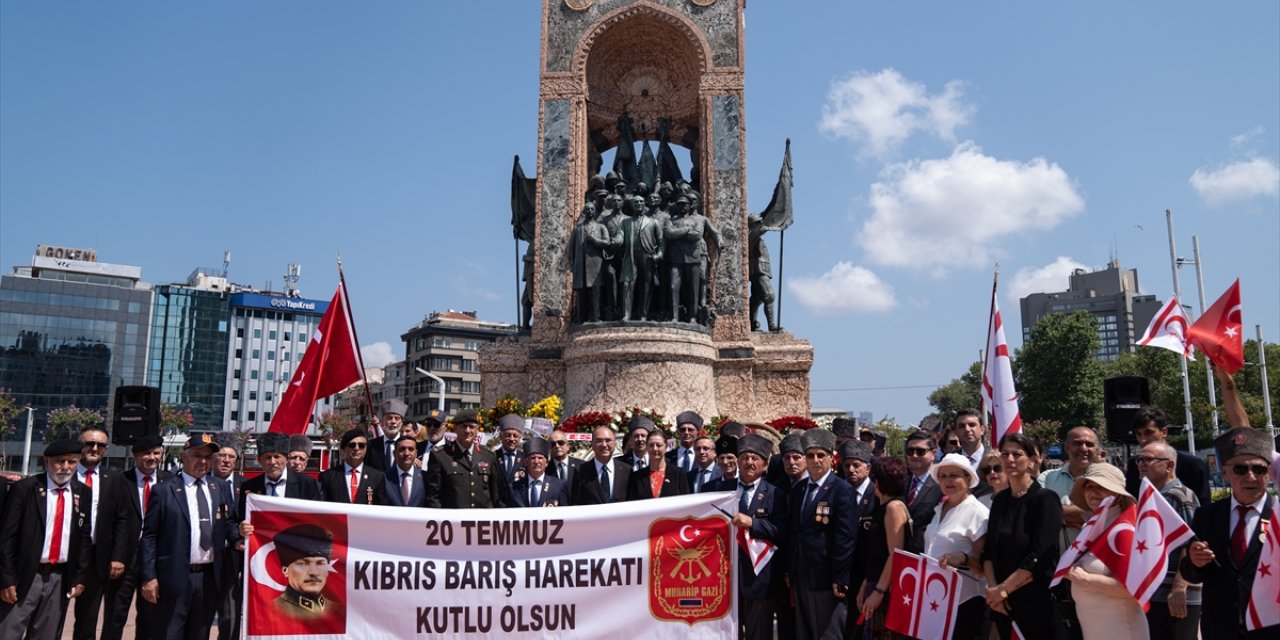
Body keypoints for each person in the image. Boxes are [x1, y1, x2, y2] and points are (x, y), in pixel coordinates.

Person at [140, 434, 241, 640]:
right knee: (169, 633)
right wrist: (149, 577)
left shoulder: (219, 487)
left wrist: (238, 537)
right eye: (197, 455)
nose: (203, 461)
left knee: (199, 634)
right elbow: (149, 536)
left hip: (208, 578)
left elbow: (228, 523)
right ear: (184, 457)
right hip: (174, 577)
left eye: (207, 456)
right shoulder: (164, 490)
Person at [1180, 427, 1274, 639]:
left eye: (1259, 470)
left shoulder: (1278, 515)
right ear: (1224, 472)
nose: (1251, 476)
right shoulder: (1207, 515)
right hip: (1220, 627)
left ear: (1268, 473)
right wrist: (1195, 561)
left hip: (1270, 627)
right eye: (1241, 469)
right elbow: (1191, 574)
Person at [0, 439, 91, 640]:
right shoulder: (25, 489)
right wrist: (6, 579)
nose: (66, 467)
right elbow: (6, 537)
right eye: (60, 461)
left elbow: (83, 536)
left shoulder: (82, 492)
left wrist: (79, 576)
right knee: (8, 632)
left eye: (72, 462)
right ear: (46, 460)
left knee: (46, 635)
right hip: (25, 577)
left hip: (59, 577)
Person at [982, 432, 1063, 640]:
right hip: (1001, 605)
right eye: (1005, 454)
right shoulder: (1000, 501)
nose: (1009, 459)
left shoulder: (1045, 499)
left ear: (1032, 461)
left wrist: (1003, 590)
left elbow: (1040, 555)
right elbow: (988, 551)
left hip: (1034, 604)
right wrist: (994, 593)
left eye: (1017, 454)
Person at [1062, 463, 1148, 640]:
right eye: (1089, 487)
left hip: (1121, 629)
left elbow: (1134, 589)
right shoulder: (1091, 527)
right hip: (1095, 629)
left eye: (1102, 487)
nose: (1093, 492)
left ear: (1117, 494)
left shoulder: (1124, 531)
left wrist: (1084, 578)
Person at [785, 428, 856, 640]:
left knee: (827, 633)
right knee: (804, 631)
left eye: (820, 455)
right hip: (801, 574)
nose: (815, 460)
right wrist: (790, 569)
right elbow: (793, 532)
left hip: (826, 577)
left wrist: (840, 576)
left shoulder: (841, 490)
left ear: (831, 457)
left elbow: (846, 537)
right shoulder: (799, 489)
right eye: (810, 455)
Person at [102, 434, 171, 640]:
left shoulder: (170, 482)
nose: (152, 457)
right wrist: (115, 556)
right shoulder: (120, 481)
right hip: (125, 559)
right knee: (115, 614)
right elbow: (110, 521)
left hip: (155, 559)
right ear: (135, 456)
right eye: (146, 454)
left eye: (156, 453)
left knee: (150, 616)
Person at [1136, 442, 1200, 640]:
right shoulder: (1153, 496)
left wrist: (1179, 588)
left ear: (1170, 466)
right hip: (1155, 594)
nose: (1141, 464)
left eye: (1148, 459)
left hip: (1177, 597)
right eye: (1139, 460)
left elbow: (1191, 544)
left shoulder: (1181, 497)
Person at [71, 425, 130, 640]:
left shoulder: (114, 479)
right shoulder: (65, 474)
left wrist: (117, 556)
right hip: (64, 556)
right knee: (52, 612)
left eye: (101, 445)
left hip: (97, 558)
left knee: (88, 617)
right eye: (89, 443)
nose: (95, 448)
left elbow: (122, 519)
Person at [923, 453, 989, 640]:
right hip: (935, 599)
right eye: (943, 476)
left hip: (963, 601)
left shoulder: (978, 513)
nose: (948, 481)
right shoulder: (940, 509)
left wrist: (962, 558)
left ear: (968, 478)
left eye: (954, 475)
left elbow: (983, 566)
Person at [730, 434, 786, 640]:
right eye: (744, 457)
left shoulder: (775, 494)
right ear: (737, 462)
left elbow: (781, 532)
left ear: (765, 465)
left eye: (755, 458)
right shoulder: (721, 491)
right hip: (727, 579)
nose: (749, 462)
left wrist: (753, 523)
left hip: (760, 579)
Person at [852, 457, 910, 639]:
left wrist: (878, 592)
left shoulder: (894, 507)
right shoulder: (882, 506)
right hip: (874, 582)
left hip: (886, 591)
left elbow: (895, 554)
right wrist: (865, 585)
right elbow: (877, 553)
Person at [1124, 406, 1210, 505]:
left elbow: (1203, 507)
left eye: (1149, 432)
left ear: (1164, 432)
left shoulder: (1192, 465)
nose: (1143, 439)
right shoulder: (1134, 464)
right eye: (1139, 434)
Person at [427, 410, 504, 509]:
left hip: (482, 520)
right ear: (455, 428)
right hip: (454, 520)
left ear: (477, 430)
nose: (467, 431)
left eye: (472, 427)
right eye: (463, 426)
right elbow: (434, 496)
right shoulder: (440, 455)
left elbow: (495, 494)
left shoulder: (488, 455)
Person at [1040, 425, 1100, 552]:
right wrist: (1087, 513)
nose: (1083, 448)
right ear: (1067, 447)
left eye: (1089, 444)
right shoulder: (1046, 478)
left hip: (1096, 560)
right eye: (1077, 443)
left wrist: (1055, 514)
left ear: (1097, 450)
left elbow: (1105, 515)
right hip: (1054, 561)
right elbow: (1038, 514)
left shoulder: (1109, 481)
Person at [209, 432, 245, 640]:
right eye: (222, 455)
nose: (226, 460)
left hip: (233, 558)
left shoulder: (247, 485)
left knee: (230, 614)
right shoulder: (201, 482)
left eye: (231, 457)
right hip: (204, 557)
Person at [272, 524, 336, 619]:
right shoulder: (269, 610)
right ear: (285, 570)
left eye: (320, 563)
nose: (314, 572)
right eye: (302, 564)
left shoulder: (341, 611)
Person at [239, 432, 321, 506]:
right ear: (259, 460)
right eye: (267, 457)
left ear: (287, 459)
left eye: (276, 457)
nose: (272, 462)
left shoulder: (307, 485)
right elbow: (240, 517)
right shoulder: (249, 487)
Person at [318, 428, 388, 506]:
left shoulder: (377, 477)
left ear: (366, 449)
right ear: (344, 449)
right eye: (352, 445)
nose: (356, 448)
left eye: (361, 445)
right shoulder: (327, 477)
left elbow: (382, 508)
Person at [569, 426, 631, 506]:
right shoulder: (581, 471)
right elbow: (575, 503)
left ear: (615, 444)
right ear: (592, 444)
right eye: (599, 441)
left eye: (608, 440)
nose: (604, 445)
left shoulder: (626, 470)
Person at [903, 430, 942, 553]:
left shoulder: (941, 485)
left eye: (920, 451)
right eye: (910, 451)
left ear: (933, 454)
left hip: (929, 557)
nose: (914, 456)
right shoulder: (901, 483)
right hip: (903, 556)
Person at [626, 430, 691, 500]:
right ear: (647, 448)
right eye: (651, 445)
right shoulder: (637, 476)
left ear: (666, 447)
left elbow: (685, 501)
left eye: (659, 445)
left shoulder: (678, 474)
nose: (655, 449)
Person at [505, 437, 567, 507]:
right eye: (533, 458)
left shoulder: (558, 486)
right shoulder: (514, 488)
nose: (536, 461)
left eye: (540, 458)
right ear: (526, 462)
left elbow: (565, 513)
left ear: (546, 462)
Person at [384, 436, 436, 508]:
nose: (406, 453)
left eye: (411, 449)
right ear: (394, 454)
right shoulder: (384, 478)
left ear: (416, 453)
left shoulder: (425, 477)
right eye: (402, 449)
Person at [366, 398, 408, 472]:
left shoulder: (409, 445)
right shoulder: (371, 446)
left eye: (397, 418)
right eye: (389, 418)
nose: (393, 421)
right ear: (382, 422)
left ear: (401, 423)